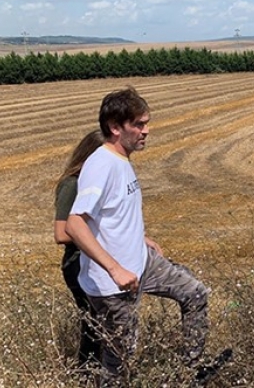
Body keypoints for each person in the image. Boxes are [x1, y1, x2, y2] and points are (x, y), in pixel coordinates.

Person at [65, 87, 212, 385]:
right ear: (115, 127)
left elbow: (112, 214)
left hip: (141, 262)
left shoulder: (122, 160)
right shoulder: (101, 166)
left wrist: (140, 237)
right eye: (139, 125)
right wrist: (115, 268)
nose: (147, 130)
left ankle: (191, 372)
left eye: (147, 123)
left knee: (195, 293)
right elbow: (74, 224)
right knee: (119, 361)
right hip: (112, 284)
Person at [54, 130, 105, 367]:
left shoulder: (93, 184)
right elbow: (62, 233)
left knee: (103, 322)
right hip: (77, 264)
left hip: (94, 261)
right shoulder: (72, 185)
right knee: (94, 323)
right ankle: (86, 373)